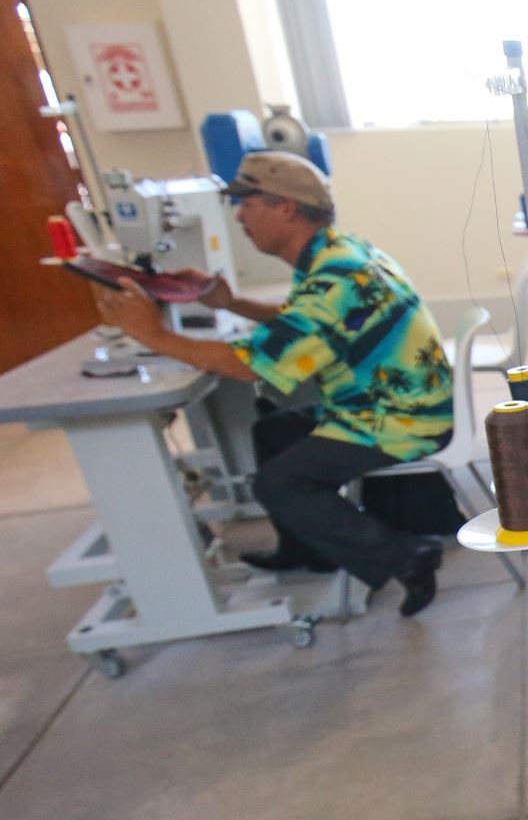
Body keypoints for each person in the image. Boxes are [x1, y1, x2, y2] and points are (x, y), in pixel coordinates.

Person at [91, 151, 450, 617]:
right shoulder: (337, 252)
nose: (239, 216)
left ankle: (407, 556)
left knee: (278, 484)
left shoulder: (334, 279)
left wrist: (153, 335)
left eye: (248, 203)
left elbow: (250, 367)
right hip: (391, 401)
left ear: (286, 207)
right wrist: (230, 302)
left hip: (399, 419)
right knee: (273, 431)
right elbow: (296, 325)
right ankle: (309, 549)